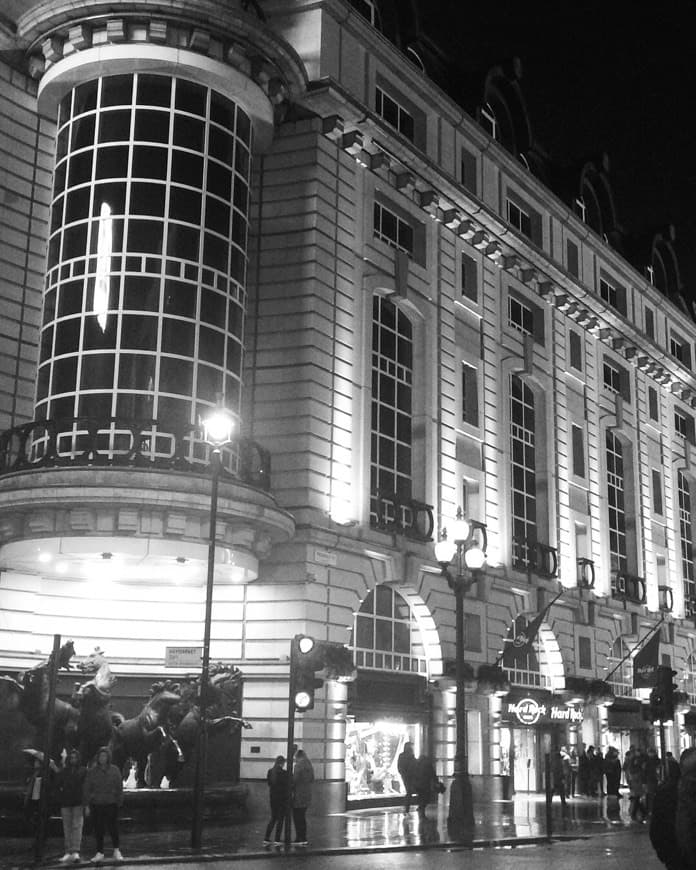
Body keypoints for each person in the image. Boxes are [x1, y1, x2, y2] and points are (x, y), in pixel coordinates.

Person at [650, 747, 696, 870]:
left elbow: (656, 831)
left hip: (676, 858)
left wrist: (667, 856)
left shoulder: (665, 793)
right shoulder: (667, 793)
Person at [83, 746, 124, 863]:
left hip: (111, 803)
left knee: (113, 828)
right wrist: (87, 803)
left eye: (105, 756)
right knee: (98, 829)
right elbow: (87, 787)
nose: (103, 758)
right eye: (101, 756)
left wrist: (119, 800)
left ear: (108, 757)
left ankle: (116, 850)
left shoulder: (114, 770)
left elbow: (119, 786)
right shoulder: (92, 771)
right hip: (97, 804)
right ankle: (99, 852)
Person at [54, 749, 86, 863]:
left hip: (77, 802)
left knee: (76, 827)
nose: (73, 760)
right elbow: (58, 784)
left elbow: (85, 787)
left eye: (75, 757)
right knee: (67, 827)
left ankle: (75, 850)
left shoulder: (82, 771)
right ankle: (69, 851)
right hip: (67, 802)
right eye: (71, 758)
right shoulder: (65, 771)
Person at [263, 755, 289, 845]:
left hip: (273, 798)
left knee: (273, 818)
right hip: (282, 799)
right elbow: (286, 786)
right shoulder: (284, 773)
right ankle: (277, 839)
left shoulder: (270, 772)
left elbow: (269, 784)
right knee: (280, 819)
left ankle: (266, 837)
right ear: (282, 763)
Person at [292, 749, 314, 846]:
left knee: (297, 817)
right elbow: (312, 779)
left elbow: (295, 780)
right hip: (307, 794)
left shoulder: (298, 766)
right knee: (302, 817)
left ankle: (299, 837)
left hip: (298, 794)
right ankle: (304, 837)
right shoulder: (309, 766)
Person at [413, 753, 438, 818]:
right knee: (425, 798)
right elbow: (432, 774)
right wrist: (436, 781)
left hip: (418, 785)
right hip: (425, 784)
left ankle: (421, 808)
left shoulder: (417, 764)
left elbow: (414, 774)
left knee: (421, 797)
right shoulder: (427, 764)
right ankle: (422, 809)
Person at [397, 742, 417, 812]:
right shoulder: (410, 755)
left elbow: (399, 767)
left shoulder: (402, 755)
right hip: (410, 776)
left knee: (409, 791)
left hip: (406, 776)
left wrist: (403, 773)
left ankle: (406, 807)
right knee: (409, 791)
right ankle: (407, 806)